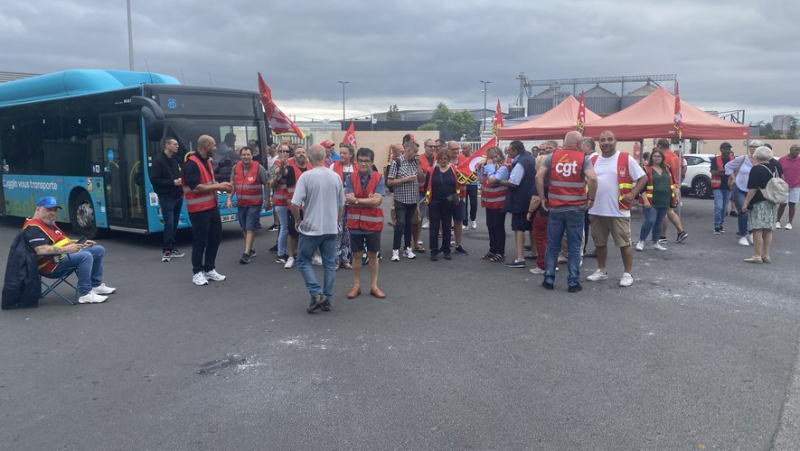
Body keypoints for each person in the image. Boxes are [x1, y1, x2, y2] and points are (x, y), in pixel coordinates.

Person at [23, 196, 116, 304]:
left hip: (60, 257)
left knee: (98, 250)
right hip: (50, 265)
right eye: (49, 210)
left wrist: (77, 243)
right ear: (38, 209)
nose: (52, 213)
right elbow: (41, 250)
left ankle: (95, 285)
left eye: (55, 210)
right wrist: (67, 249)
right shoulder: (33, 228)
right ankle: (85, 294)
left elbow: (59, 240)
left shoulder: (48, 222)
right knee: (85, 256)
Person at [536, 131, 597, 293]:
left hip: (555, 208)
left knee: (553, 245)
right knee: (575, 247)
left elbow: (538, 176)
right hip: (576, 209)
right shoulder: (583, 158)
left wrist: (542, 198)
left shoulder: (553, 156)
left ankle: (549, 279)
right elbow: (592, 178)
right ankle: (572, 282)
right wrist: (591, 198)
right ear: (578, 144)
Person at [586, 130, 647, 287]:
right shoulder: (592, 159)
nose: (606, 142)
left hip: (618, 209)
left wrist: (633, 193)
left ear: (615, 141)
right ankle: (602, 270)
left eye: (610, 139)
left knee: (624, 243)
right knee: (599, 243)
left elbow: (643, 177)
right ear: (599, 143)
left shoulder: (625, 158)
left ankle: (627, 273)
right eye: (603, 140)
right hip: (596, 209)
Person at [291, 144, 345, 313]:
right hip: (330, 227)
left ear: (309, 158)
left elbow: (294, 204)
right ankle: (327, 298)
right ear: (325, 157)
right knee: (329, 264)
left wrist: (298, 221)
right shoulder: (335, 176)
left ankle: (316, 293)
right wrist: (336, 221)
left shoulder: (306, 177)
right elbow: (341, 205)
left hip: (311, 228)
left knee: (303, 259)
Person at [183, 134, 233, 286]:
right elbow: (196, 187)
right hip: (198, 210)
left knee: (215, 239)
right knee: (200, 241)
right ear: (206, 147)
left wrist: (221, 186)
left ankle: (209, 268)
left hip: (211, 207)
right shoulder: (191, 164)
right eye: (213, 145)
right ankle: (197, 272)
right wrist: (218, 186)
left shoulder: (207, 162)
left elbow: (208, 183)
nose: (216, 147)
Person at [345, 147, 386, 299]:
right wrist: (366, 201)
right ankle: (356, 286)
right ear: (357, 161)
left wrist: (356, 201)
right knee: (356, 256)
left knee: (373, 255)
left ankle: (374, 286)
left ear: (372, 162)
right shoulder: (350, 178)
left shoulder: (379, 177)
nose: (363, 164)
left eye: (366, 161)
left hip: (373, 224)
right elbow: (348, 199)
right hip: (355, 224)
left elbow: (377, 201)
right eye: (361, 161)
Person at [225, 146, 269, 264]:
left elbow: (267, 183)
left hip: (254, 204)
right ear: (240, 156)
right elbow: (232, 184)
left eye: (248, 154)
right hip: (241, 203)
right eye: (244, 155)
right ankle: (251, 249)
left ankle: (246, 253)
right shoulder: (236, 167)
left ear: (252, 155)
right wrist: (229, 199)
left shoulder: (258, 168)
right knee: (244, 227)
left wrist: (267, 201)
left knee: (250, 227)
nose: (246, 157)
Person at [742, 146, 783, 263]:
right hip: (771, 201)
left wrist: (746, 202)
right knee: (768, 229)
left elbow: (753, 188)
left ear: (757, 155)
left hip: (759, 202)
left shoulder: (756, 169)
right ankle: (766, 255)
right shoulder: (775, 168)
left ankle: (757, 255)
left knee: (757, 229)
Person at [500, 141, 536, 268]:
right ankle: (534, 252)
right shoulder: (531, 158)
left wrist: (498, 181)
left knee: (519, 228)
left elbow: (514, 182)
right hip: (531, 197)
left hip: (520, 199)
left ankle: (520, 258)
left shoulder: (520, 162)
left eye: (509, 150)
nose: (508, 152)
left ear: (515, 151)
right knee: (531, 227)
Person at [149, 137, 185, 262]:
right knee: (169, 223)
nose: (177, 146)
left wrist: (181, 188)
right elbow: (155, 180)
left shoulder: (175, 159)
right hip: (166, 197)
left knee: (174, 223)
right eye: (175, 144)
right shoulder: (158, 161)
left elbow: (180, 175)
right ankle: (166, 250)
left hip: (177, 196)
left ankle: (172, 247)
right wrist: (173, 182)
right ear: (167, 145)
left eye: (177, 144)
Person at [636, 149, 679, 251]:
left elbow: (672, 184)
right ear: (651, 158)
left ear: (662, 158)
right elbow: (641, 187)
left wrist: (675, 196)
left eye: (659, 156)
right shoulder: (646, 169)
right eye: (655, 156)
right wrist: (645, 200)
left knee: (659, 222)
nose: (657, 158)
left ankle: (655, 242)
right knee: (650, 220)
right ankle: (641, 241)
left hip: (664, 201)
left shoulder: (667, 169)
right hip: (651, 201)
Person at [387, 140, 421, 261]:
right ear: (408, 150)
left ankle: (408, 248)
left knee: (409, 224)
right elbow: (390, 181)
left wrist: (419, 165)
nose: (417, 154)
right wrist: (406, 179)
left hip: (413, 198)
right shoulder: (397, 162)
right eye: (415, 151)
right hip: (400, 198)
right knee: (400, 223)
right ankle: (395, 250)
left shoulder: (415, 162)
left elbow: (421, 178)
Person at [425, 148, 460, 261]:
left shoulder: (454, 170)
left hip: (449, 202)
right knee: (434, 228)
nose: (443, 160)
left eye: (445, 158)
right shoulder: (432, 171)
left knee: (447, 227)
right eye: (441, 158)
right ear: (438, 159)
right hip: (435, 202)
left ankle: (446, 250)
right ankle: (434, 251)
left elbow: (458, 184)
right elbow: (426, 186)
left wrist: (456, 198)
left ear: (449, 159)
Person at [727, 140, 763, 246]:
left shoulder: (763, 161)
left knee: (753, 212)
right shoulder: (743, 158)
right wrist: (733, 178)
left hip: (754, 190)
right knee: (743, 211)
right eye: (751, 146)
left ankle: (750, 233)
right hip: (739, 188)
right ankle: (743, 235)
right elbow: (728, 166)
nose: (753, 149)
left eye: (755, 147)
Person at [283, 145, 313, 269]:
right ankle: (290, 257)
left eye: (303, 152)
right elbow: (283, 173)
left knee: (311, 232)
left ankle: (313, 255)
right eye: (298, 152)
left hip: (309, 207)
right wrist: (281, 167)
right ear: (294, 156)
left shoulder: (311, 167)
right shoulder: (290, 167)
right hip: (294, 206)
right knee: (292, 233)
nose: (301, 154)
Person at [654, 139, 688, 243]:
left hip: (666, 186)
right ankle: (679, 232)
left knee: (664, 212)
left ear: (659, 146)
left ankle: (663, 236)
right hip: (675, 185)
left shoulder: (664, 157)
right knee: (669, 211)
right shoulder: (675, 157)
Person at [478, 147, 509, 261]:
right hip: (489, 202)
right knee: (490, 226)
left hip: (499, 202)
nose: (487, 159)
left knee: (498, 226)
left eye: (489, 157)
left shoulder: (503, 168)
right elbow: (482, 180)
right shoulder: (487, 167)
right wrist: (481, 169)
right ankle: (492, 249)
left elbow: (493, 180)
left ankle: (500, 252)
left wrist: (489, 168)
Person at [331, 143, 356, 269]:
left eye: (344, 153)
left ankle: (345, 259)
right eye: (340, 153)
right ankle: (335, 260)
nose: (341, 155)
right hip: (338, 205)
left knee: (348, 231)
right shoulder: (333, 166)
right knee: (337, 232)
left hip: (352, 205)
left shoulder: (356, 167)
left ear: (351, 155)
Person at [270, 144, 292, 264]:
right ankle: (280, 254)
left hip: (290, 201)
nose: (285, 153)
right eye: (282, 151)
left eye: (287, 151)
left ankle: (287, 251)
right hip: (281, 201)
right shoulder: (276, 166)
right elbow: (270, 184)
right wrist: (278, 177)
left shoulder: (292, 164)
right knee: (284, 228)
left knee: (288, 228)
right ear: (278, 152)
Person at [446, 141, 469, 255]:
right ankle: (445, 244)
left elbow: (470, 175)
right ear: (448, 149)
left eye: (457, 149)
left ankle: (458, 245)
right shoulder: (444, 160)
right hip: (446, 196)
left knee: (458, 221)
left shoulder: (463, 159)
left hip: (460, 195)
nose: (456, 151)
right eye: (453, 149)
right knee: (445, 220)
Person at [710, 142, 735, 234]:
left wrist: (721, 170)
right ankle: (717, 226)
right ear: (721, 149)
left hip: (728, 187)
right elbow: (714, 172)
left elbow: (736, 171)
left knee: (724, 208)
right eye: (725, 149)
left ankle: (720, 224)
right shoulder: (715, 160)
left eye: (729, 149)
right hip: (717, 187)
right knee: (719, 206)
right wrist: (728, 171)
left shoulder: (733, 160)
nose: (727, 151)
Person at [581, 137, 598, 258]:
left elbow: (590, 178)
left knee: (586, 224)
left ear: (588, 146)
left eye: (582, 145)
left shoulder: (589, 159)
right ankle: (598, 248)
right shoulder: (597, 157)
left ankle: (583, 249)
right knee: (596, 224)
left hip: (588, 196)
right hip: (595, 195)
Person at [777, 144, 800, 230]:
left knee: (792, 204)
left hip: (796, 186)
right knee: (782, 204)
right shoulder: (782, 160)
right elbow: (777, 170)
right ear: (790, 150)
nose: (797, 152)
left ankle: (789, 223)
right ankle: (777, 221)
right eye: (796, 150)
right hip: (783, 186)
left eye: (799, 150)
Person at [419, 139, 439, 230]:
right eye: (430, 146)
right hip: (422, 191)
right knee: (420, 215)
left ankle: (438, 232)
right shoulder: (419, 158)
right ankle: (417, 238)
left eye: (435, 146)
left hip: (436, 191)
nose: (433, 148)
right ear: (425, 147)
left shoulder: (439, 158)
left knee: (436, 214)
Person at [461, 142, 479, 229]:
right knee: (464, 203)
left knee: (473, 203)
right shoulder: (460, 158)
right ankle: (465, 222)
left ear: (470, 148)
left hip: (473, 183)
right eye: (462, 148)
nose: (463, 150)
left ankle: (473, 219)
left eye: (465, 148)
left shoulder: (474, 157)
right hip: (463, 183)